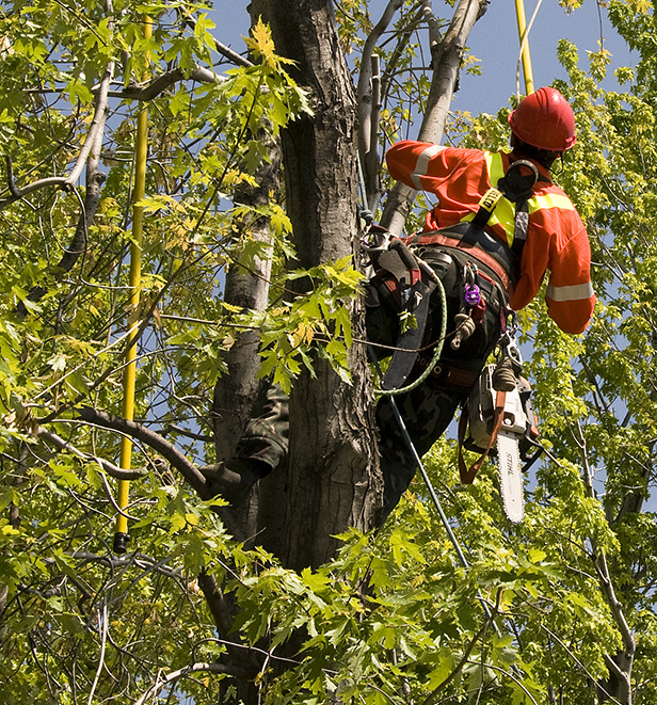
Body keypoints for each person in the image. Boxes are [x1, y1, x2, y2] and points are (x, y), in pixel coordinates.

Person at [201, 87, 593, 520]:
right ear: (563, 153)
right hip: (475, 325)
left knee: (319, 345)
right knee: (398, 448)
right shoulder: (563, 215)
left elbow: (399, 158)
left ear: (513, 130)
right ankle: (348, 548)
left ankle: (255, 457)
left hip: (417, 284)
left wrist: (462, 165)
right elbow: (573, 318)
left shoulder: (478, 164)